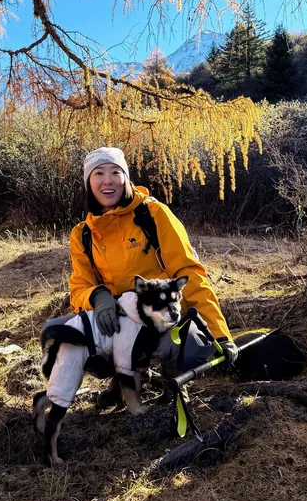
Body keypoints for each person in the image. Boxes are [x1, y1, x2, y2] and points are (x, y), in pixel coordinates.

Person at [69, 147, 238, 403]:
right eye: (99, 173)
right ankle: (124, 377)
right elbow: (79, 288)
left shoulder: (153, 214)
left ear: (126, 177)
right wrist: (98, 296)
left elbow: (189, 273)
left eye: (116, 172)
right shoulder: (82, 234)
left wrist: (219, 334)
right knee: (71, 336)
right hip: (122, 322)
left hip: (163, 318)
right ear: (88, 183)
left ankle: (172, 386)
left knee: (191, 349)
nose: (108, 180)